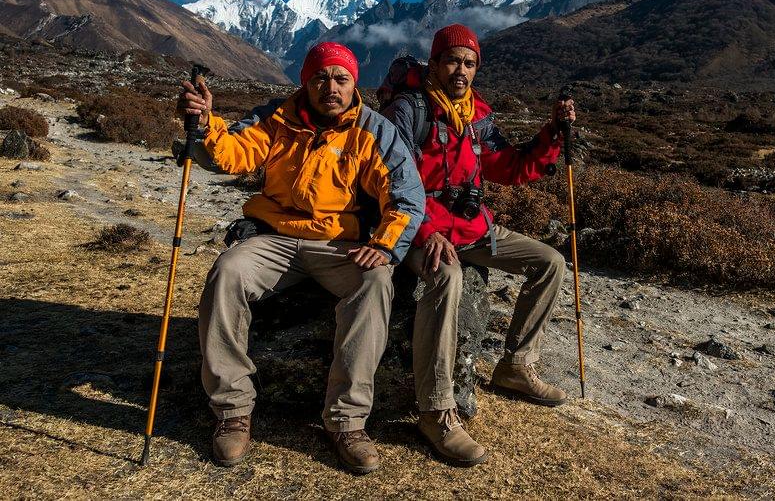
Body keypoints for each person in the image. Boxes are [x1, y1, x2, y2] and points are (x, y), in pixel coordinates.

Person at [177, 42, 424, 474]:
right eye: (321, 78)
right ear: (306, 82)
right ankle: (232, 409)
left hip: (337, 243)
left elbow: (406, 197)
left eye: (341, 78)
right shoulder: (276, 118)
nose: (331, 87)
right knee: (228, 272)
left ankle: (347, 421)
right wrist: (205, 124)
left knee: (375, 282)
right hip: (275, 237)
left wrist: (384, 245)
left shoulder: (374, 130)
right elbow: (233, 153)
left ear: (354, 84)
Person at [383, 24, 575, 466]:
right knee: (445, 277)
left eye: (469, 63)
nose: (461, 70)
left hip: (472, 229)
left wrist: (551, 134)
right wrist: (427, 231)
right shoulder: (409, 112)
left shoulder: (477, 117)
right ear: (433, 64)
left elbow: (509, 166)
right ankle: (436, 409)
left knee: (549, 261)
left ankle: (516, 366)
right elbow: (394, 179)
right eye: (452, 61)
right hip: (417, 228)